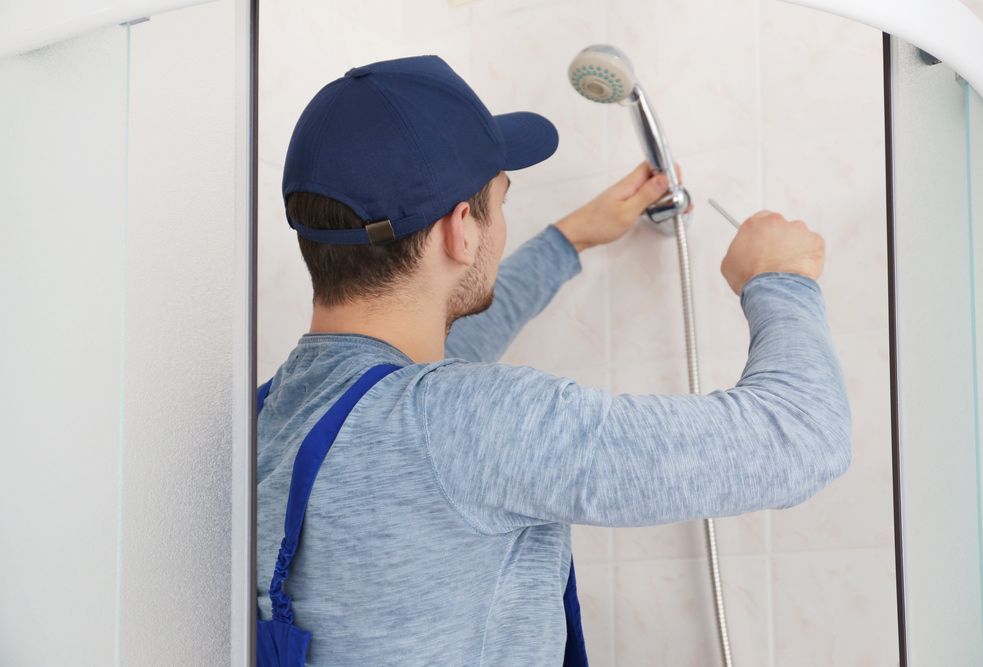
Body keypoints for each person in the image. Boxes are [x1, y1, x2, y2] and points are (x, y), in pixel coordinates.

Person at [256, 54, 851, 666]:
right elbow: (803, 437)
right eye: (502, 200)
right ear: (462, 230)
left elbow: (426, 368)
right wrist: (780, 280)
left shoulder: (270, 418)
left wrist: (571, 239)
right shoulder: (472, 424)